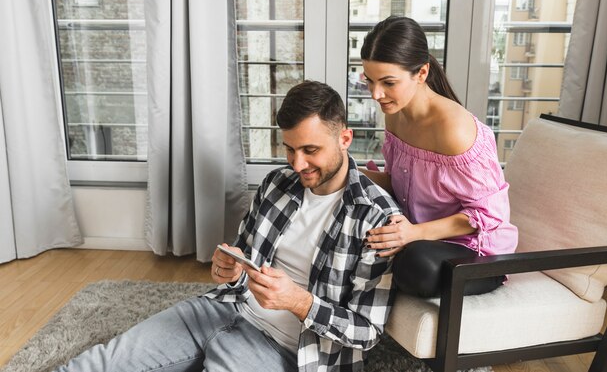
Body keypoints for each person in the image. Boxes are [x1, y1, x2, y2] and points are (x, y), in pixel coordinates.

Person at [53, 81, 401, 372]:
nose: (298, 163)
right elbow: (243, 257)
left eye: (311, 150)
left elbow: (367, 332)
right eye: (290, 149)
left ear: (345, 138)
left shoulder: (376, 217)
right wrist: (230, 269)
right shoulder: (276, 184)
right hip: (222, 308)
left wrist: (299, 301)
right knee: (97, 364)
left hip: (283, 349)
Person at [359, 16, 518, 298]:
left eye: (388, 83)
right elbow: (400, 183)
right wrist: (344, 169)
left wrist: (413, 234)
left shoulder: (453, 129)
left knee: (415, 263)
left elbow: (487, 217)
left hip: (475, 251)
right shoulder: (396, 115)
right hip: (421, 235)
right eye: (369, 81)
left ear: (421, 73)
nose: (376, 94)